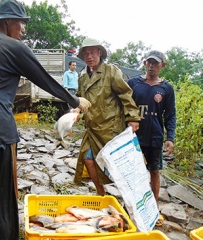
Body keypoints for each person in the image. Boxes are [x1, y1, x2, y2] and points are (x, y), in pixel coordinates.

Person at [0, 0, 91, 239]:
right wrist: (75, 101)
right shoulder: (14, 47)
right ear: (8, 21)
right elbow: (44, 79)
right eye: (21, 23)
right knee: (4, 205)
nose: (23, 29)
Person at [73, 38, 141, 196]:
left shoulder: (111, 71)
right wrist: (76, 111)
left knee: (118, 166)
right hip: (92, 128)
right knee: (89, 160)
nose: (89, 56)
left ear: (100, 53)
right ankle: (100, 193)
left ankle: (131, 197)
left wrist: (132, 118)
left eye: (92, 52)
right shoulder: (82, 76)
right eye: (86, 53)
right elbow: (79, 98)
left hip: (110, 127)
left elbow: (125, 94)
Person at [127, 50, 176, 226]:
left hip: (155, 136)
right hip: (134, 136)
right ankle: (133, 206)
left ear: (162, 65)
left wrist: (170, 138)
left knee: (154, 171)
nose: (151, 66)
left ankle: (153, 207)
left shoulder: (166, 88)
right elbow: (123, 105)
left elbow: (170, 115)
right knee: (134, 172)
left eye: (155, 63)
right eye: (149, 62)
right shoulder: (133, 83)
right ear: (144, 63)